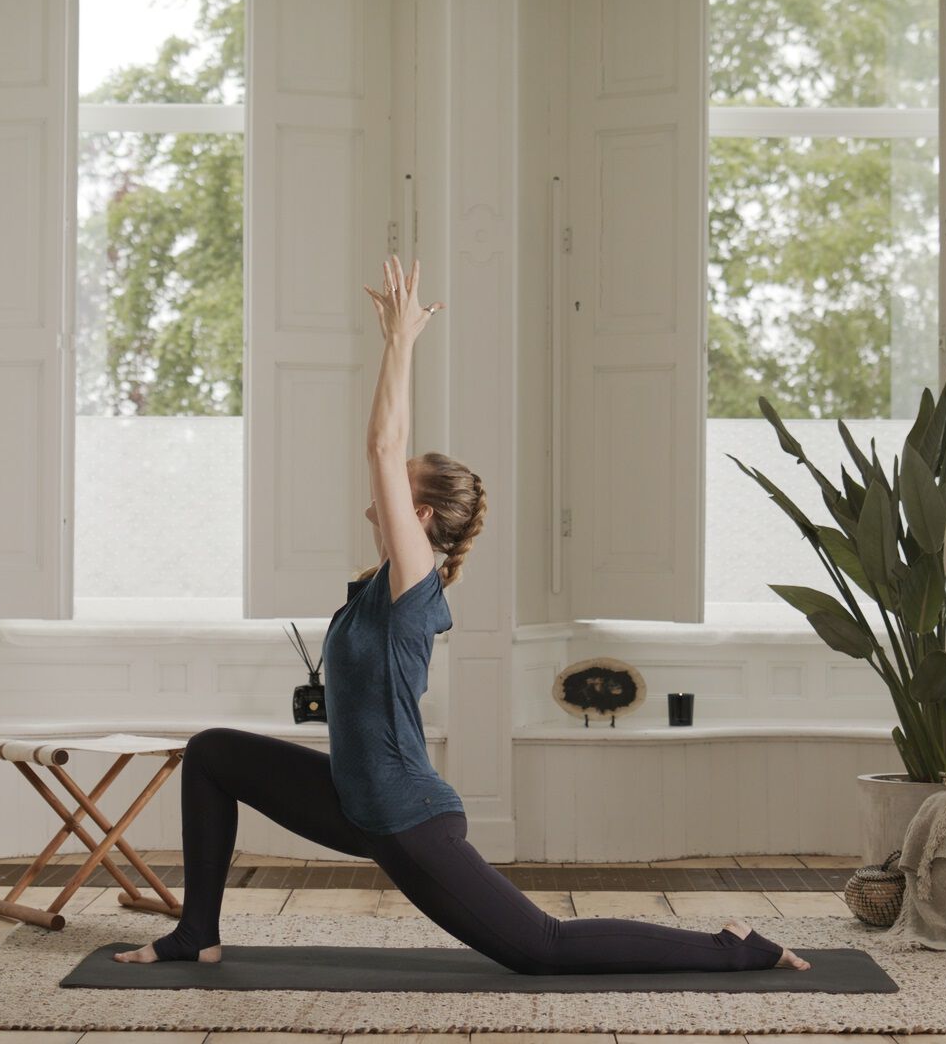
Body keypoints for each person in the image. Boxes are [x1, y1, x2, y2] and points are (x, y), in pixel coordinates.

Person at [116, 256, 808, 975]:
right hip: (351, 798)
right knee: (213, 752)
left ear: (417, 517)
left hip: (403, 815)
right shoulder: (386, 578)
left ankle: (734, 948)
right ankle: (196, 930)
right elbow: (390, 450)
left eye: (396, 485)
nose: (378, 483)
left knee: (542, 949)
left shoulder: (413, 589)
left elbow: (382, 445)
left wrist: (401, 343)